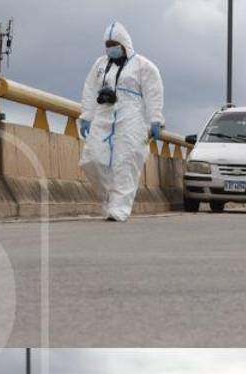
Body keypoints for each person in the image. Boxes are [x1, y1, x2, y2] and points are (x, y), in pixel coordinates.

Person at [77, 22, 164, 223]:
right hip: (103, 116)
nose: (110, 48)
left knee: (125, 163)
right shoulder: (100, 65)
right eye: (107, 44)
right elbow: (90, 89)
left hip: (131, 119)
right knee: (92, 159)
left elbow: (153, 93)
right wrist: (86, 116)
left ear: (124, 43)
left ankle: (119, 209)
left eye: (114, 43)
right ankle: (109, 197)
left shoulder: (143, 66)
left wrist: (156, 120)